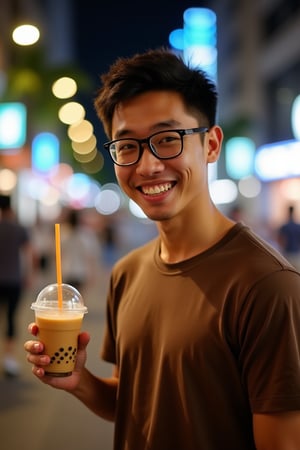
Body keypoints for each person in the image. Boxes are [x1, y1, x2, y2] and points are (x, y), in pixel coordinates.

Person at [24, 48, 300, 449]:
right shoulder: (127, 273)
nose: (148, 166)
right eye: (128, 146)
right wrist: (79, 382)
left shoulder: (267, 286)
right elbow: (137, 404)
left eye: (167, 139)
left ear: (211, 145)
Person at [0, 195, 32, 376]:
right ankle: (9, 359)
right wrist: (30, 275)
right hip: (14, 280)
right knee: (11, 319)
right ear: (11, 208)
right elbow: (30, 254)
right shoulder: (18, 229)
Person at [277, 204, 300, 270]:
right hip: (296, 253)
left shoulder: (284, 227)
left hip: (287, 253)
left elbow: (280, 240)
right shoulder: (298, 226)